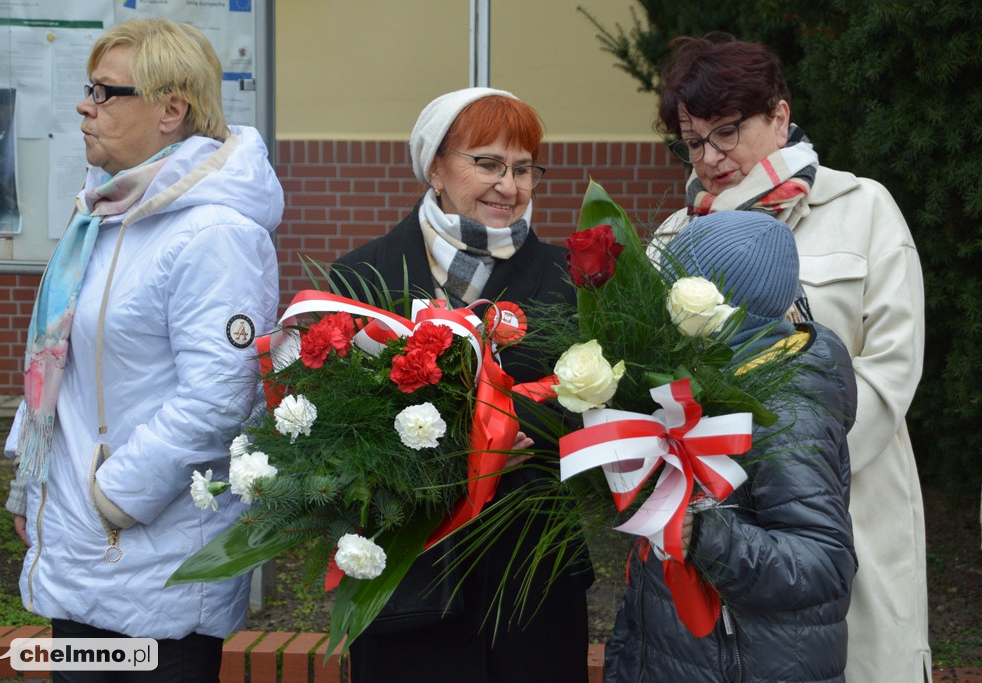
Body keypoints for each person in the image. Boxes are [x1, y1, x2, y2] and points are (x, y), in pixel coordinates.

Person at [2, 18, 282, 681]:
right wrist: (33, 481)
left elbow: (223, 393)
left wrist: (113, 499)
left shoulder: (213, 232)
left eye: (106, 91)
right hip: (82, 552)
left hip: (152, 561)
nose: (84, 104)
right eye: (87, 88)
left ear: (171, 110)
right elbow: (60, 358)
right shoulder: (107, 212)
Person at [647, 33, 930, 682]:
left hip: (842, 511)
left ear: (778, 116)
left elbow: (893, 368)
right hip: (719, 533)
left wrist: (785, 462)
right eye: (694, 141)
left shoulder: (863, 209)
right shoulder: (672, 236)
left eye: (727, 131)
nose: (711, 158)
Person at [330, 87, 594, 683]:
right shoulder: (362, 275)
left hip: (532, 578)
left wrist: (537, 432)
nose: (509, 186)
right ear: (435, 168)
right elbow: (332, 431)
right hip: (409, 579)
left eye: (523, 169)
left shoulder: (566, 279)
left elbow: (603, 403)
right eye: (488, 163)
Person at [605, 210, 858, 682]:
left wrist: (705, 537)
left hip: (747, 665)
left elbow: (824, 563)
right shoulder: (715, 382)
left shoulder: (787, 411)